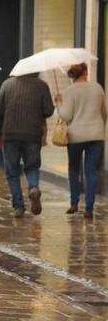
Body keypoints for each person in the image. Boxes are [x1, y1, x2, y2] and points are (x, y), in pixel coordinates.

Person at [0, 73, 54, 218]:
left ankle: (18, 206)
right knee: (32, 166)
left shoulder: (7, 85)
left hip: (10, 134)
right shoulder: (41, 86)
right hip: (32, 134)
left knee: (12, 172)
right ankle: (33, 187)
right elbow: (48, 111)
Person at [57, 63, 106, 218]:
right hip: (96, 135)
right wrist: (99, 125)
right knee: (91, 171)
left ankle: (74, 203)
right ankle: (89, 208)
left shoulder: (70, 91)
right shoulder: (97, 88)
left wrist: (59, 103)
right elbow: (104, 111)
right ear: (85, 72)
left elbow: (66, 116)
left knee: (73, 169)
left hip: (75, 136)